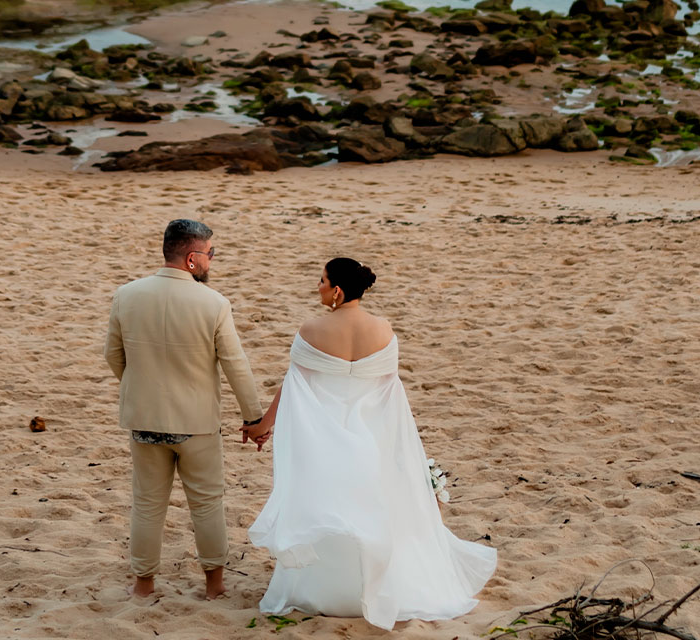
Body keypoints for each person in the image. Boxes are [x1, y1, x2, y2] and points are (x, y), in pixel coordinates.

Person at [247, 258, 497, 630]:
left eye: (321, 281)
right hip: (369, 436)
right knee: (371, 507)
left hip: (324, 438)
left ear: (337, 291)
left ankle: (327, 591)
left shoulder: (311, 329)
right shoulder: (383, 330)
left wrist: (261, 427)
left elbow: (293, 387)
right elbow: (389, 393)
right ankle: (373, 587)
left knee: (328, 506)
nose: (317, 286)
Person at [104, 219, 271, 600]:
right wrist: (254, 419)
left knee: (147, 505)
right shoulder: (213, 303)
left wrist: (138, 387)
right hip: (195, 423)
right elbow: (235, 364)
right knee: (207, 503)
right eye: (211, 254)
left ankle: (143, 585)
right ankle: (214, 585)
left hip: (144, 419)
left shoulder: (126, 294)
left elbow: (112, 355)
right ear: (193, 258)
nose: (212, 261)